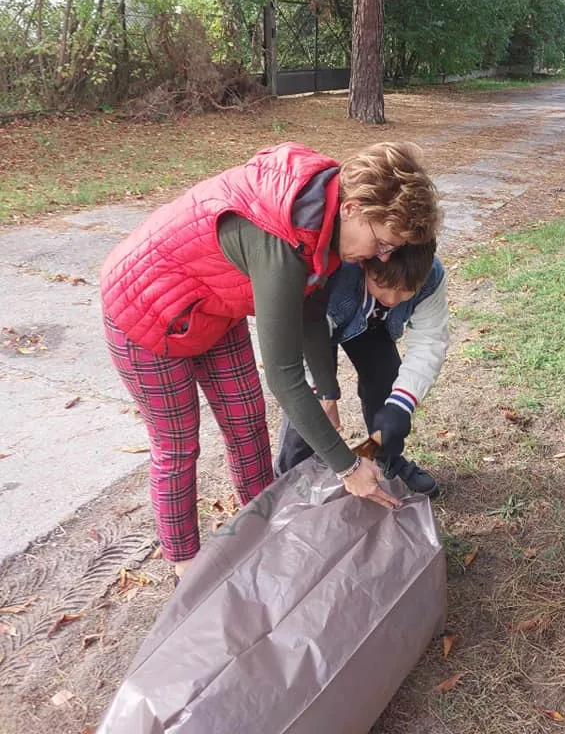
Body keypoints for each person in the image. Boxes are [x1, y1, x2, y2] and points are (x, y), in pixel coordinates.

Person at [100, 141, 439, 579]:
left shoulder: (328, 222)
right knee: (179, 443)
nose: (381, 257)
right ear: (353, 208)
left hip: (213, 309)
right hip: (143, 309)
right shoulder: (281, 240)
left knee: (247, 426)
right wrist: (349, 466)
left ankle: (263, 535)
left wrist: (327, 391)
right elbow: (282, 375)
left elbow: (309, 309)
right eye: (383, 243)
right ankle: (187, 570)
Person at [276, 241, 449, 497]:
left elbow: (429, 340)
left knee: (386, 384)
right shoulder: (335, 270)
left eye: (405, 292)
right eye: (384, 286)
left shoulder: (430, 275)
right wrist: (322, 393)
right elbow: (296, 345)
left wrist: (402, 405)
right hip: (316, 327)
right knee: (308, 409)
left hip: (374, 326)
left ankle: (386, 459)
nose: (392, 300)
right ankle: (288, 483)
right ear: (364, 262)